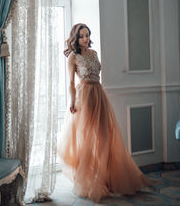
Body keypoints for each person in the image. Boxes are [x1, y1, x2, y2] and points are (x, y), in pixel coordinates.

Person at [57, 23, 151, 202]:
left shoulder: (93, 53)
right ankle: (87, 180)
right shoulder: (73, 57)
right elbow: (70, 83)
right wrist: (71, 101)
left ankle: (104, 178)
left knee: (104, 138)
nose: (85, 39)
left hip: (98, 95)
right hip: (84, 97)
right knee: (86, 139)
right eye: (82, 36)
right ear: (75, 38)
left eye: (87, 35)